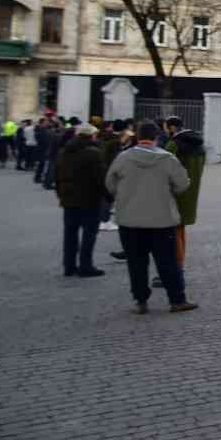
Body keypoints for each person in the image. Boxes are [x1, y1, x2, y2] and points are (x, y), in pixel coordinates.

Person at [106, 121, 197, 314]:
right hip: (162, 220)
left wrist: (125, 196)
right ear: (156, 137)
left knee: (136, 264)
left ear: (137, 137)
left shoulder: (123, 158)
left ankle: (140, 301)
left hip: (129, 220)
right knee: (168, 262)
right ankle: (177, 300)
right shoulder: (167, 159)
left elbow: (110, 184)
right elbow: (182, 185)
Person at [55, 123, 107, 277]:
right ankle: (86, 265)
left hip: (68, 198)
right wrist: (108, 195)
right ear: (92, 136)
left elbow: (57, 175)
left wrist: (60, 194)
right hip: (89, 199)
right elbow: (100, 178)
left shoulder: (64, 151)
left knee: (70, 234)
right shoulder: (94, 153)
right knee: (89, 234)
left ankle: (69, 266)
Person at [165, 120, 206, 288]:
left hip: (175, 194)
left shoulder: (174, 145)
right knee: (180, 232)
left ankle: (176, 269)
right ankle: (178, 266)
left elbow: (166, 168)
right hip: (191, 194)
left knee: (172, 234)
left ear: (172, 127)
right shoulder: (200, 146)